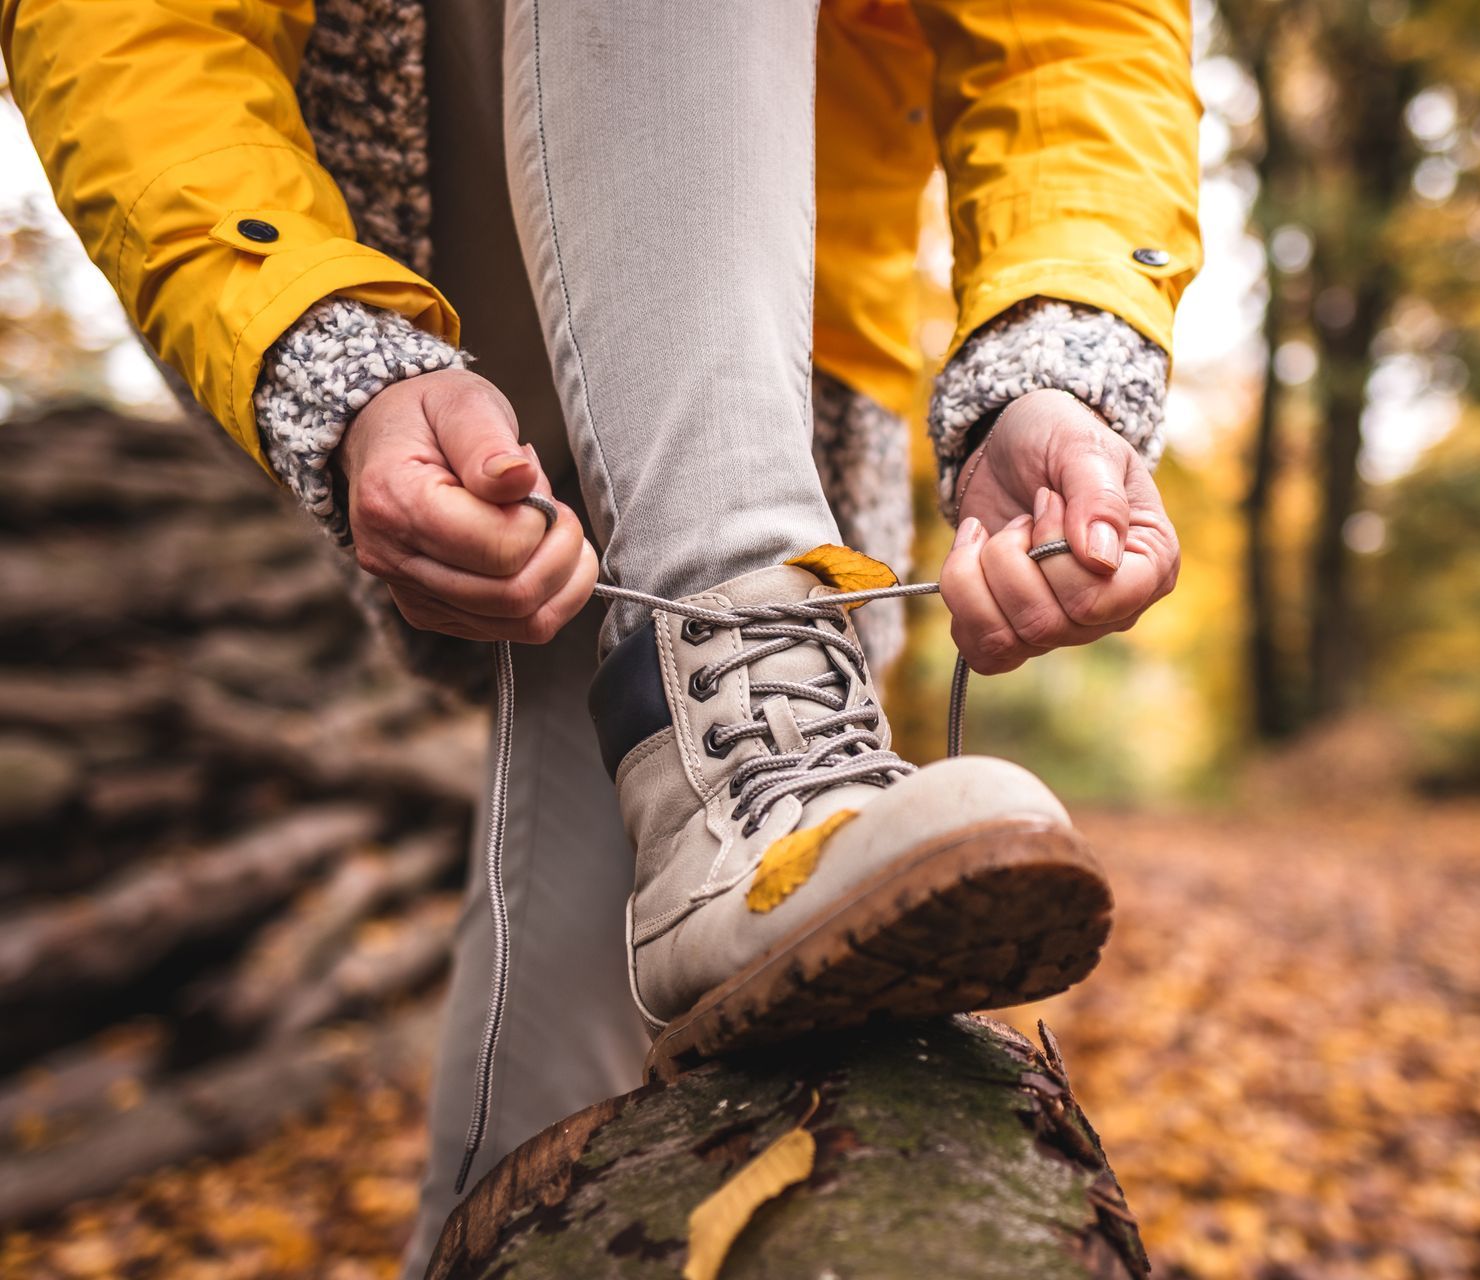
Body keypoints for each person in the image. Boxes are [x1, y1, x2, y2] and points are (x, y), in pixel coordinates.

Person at [5, 0, 1199, 1268]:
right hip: (387, 212)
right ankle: (747, 639)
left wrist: (1054, 366)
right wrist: (327, 347)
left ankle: (743, 734)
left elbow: (1071, 27)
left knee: (556, 1085)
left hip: (780, 346)